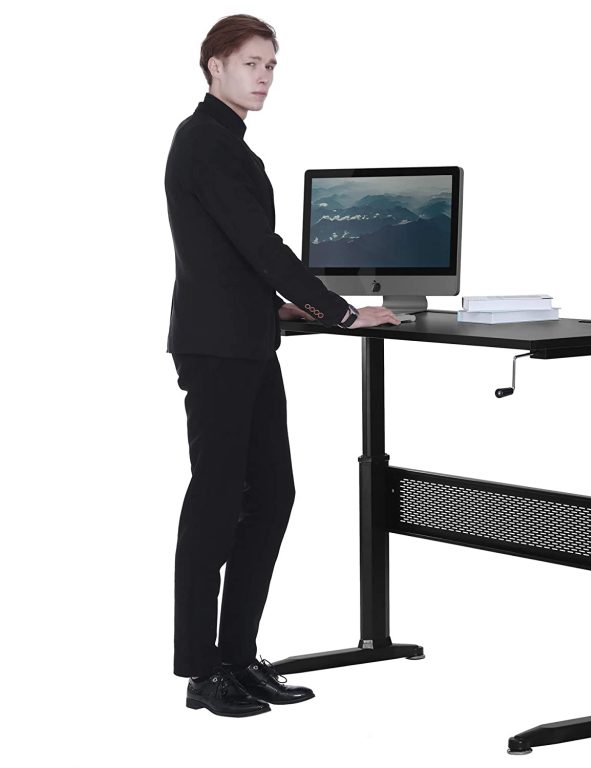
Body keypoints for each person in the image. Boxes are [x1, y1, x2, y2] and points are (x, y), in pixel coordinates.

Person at [165, 14, 399, 718]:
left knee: (271, 496)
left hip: (249, 339)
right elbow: (261, 247)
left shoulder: (228, 143)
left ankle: (238, 657)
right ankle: (201, 673)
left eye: (271, 65)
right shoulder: (205, 141)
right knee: (215, 505)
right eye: (251, 63)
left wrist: (281, 308)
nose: (264, 76)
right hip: (218, 350)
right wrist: (341, 312)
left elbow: (230, 256)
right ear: (214, 66)